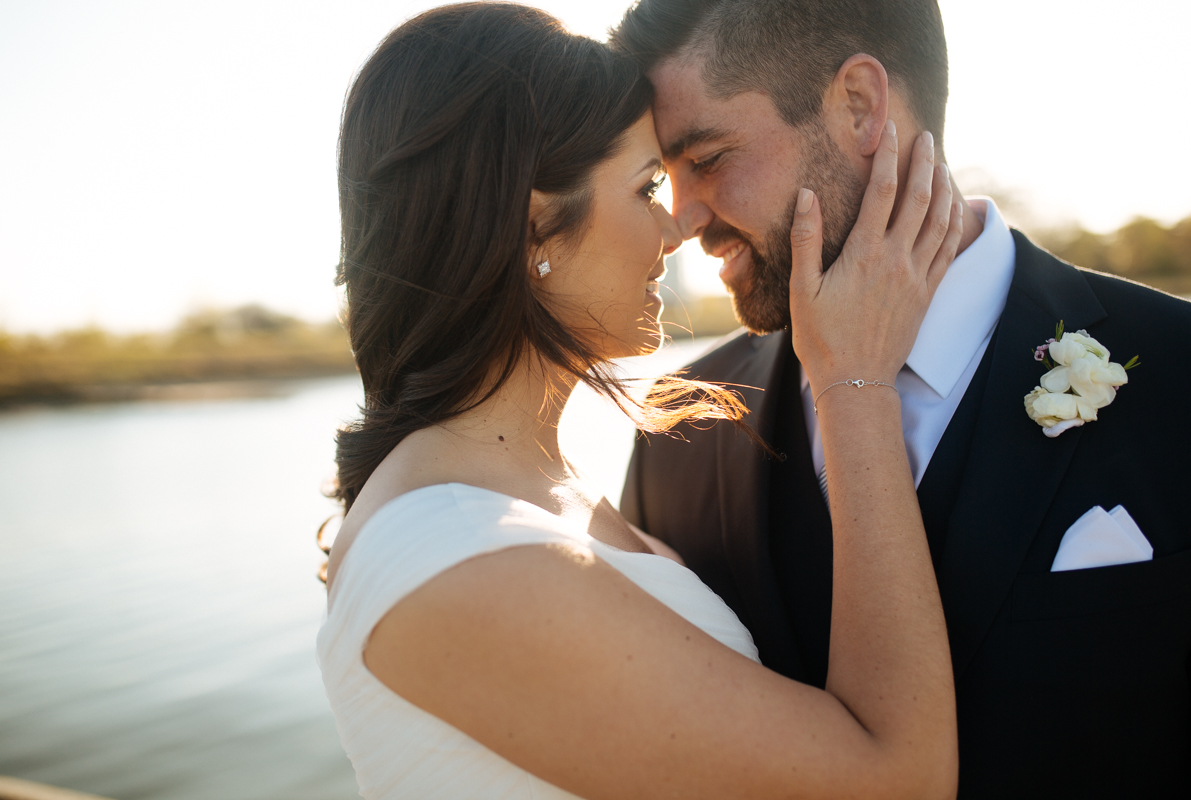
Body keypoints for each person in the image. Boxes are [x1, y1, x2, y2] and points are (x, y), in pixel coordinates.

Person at [316, 3, 966, 798]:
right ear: (534, 233)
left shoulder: (524, 493)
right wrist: (854, 380)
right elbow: (897, 780)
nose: (676, 228)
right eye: (646, 185)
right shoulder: (460, 550)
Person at [612, 1, 1191, 797]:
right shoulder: (678, 425)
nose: (679, 223)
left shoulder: (1185, 371)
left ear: (860, 105)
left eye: (708, 158)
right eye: (661, 177)